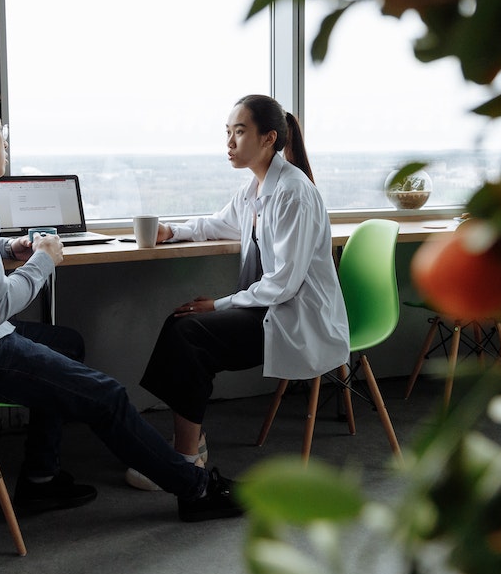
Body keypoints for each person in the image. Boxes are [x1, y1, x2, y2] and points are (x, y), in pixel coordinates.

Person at [0, 82, 241, 522]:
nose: (4, 139)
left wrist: (12, 251)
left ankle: (41, 480)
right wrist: (43, 261)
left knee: (65, 341)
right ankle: (196, 490)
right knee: (106, 396)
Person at [127, 94, 350, 490]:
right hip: (270, 311)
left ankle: (184, 460)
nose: (229, 143)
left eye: (240, 132)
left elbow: (284, 283)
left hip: (294, 319)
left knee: (190, 333)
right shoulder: (257, 188)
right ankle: (189, 445)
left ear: (268, 139)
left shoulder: (292, 193)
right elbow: (218, 223)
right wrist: (171, 232)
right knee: (183, 324)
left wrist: (217, 303)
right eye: (227, 132)